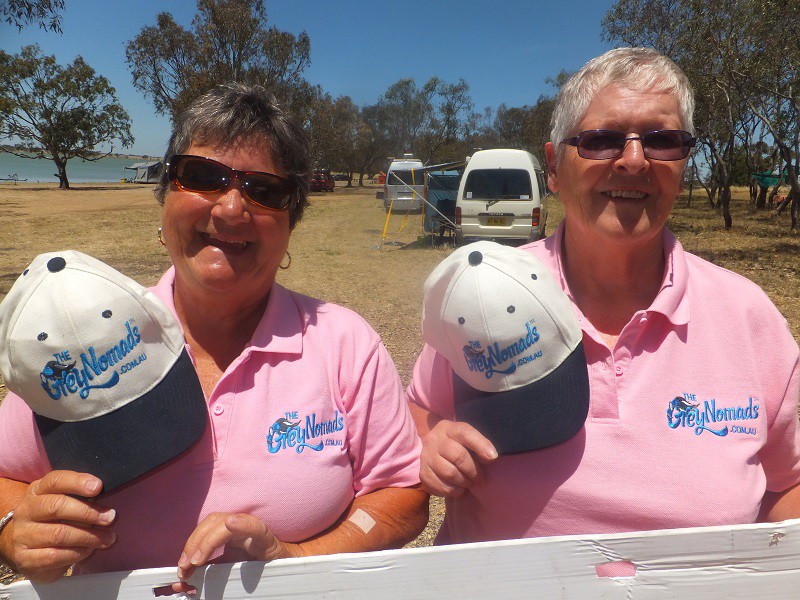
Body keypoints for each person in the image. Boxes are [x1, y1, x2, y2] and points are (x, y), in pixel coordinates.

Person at [0, 83, 428, 583]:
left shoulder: (345, 343)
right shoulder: (84, 334)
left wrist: (296, 560)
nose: (229, 209)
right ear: (164, 196)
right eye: (202, 176)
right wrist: (11, 529)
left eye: (264, 190)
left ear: (291, 223)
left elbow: (402, 493)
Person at [407, 47, 800, 544]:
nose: (634, 161)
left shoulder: (747, 315)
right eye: (601, 140)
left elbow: (787, 484)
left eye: (662, 141)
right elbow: (417, 410)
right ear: (554, 167)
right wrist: (430, 440)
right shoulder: (488, 292)